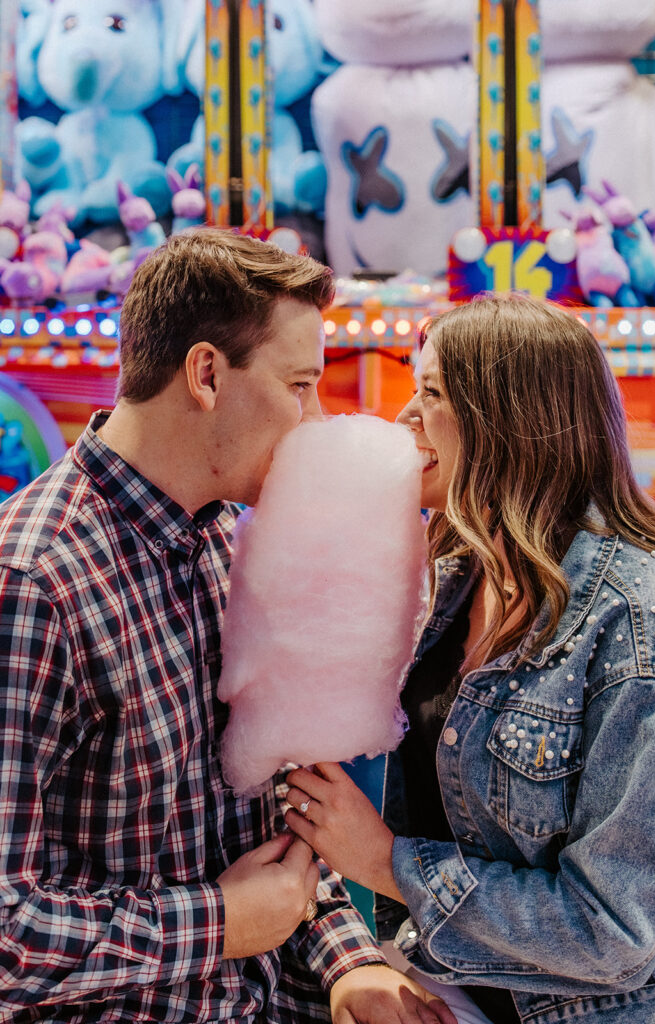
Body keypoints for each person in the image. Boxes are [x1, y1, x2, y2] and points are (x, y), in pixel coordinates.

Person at [0, 228, 458, 1024]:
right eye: (300, 385)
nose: (316, 420)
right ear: (207, 375)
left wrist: (347, 963)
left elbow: (257, 837)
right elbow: (9, 932)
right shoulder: (35, 582)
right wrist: (218, 924)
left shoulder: (227, 538)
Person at [285, 292, 655, 1024]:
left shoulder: (643, 623)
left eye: (430, 394)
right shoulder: (442, 579)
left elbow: (617, 932)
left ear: (509, 421)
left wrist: (386, 863)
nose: (405, 418)